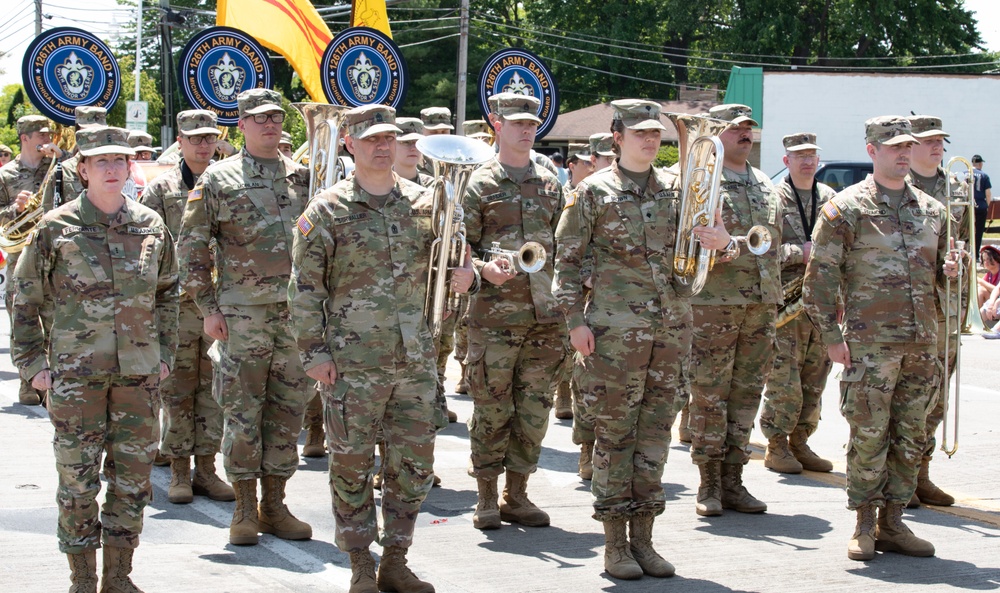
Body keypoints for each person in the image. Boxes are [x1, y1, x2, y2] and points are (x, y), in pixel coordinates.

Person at [289, 104, 475, 593]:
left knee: (412, 466)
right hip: (352, 364)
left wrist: (466, 277)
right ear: (350, 143)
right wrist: (315, 353)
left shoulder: (425, 203)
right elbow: (304, 290)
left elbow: (450, 269)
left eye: (389, 137)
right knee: (351, 466)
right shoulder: (326, 210)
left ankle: (396, 559)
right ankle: (360, 567)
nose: (382, 146)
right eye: (371, 138)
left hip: (414, 363)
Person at [554, 99, 730, 580]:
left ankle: (645, 540)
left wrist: (723, 242)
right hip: (612, 336)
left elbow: (714, 248)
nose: (650, 140)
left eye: (655, 133)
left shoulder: (680, 189)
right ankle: (614, 544)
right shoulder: (591, 193)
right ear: (617, 137)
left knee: (654, 438)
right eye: (639, 133)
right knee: (615, 437)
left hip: (671, 332)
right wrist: (575, 322)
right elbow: (566, 263)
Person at [12, 125, 179, 593]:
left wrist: (164, 352)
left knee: (132, 481)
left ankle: (119, 578)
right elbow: (24, 299)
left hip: (139, 378)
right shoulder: (55, 227)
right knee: (78, 483)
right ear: (82, 169)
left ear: (129, 168)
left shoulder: (150, 225)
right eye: (100, 161)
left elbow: (169, 293)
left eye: (119, 161)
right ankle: (83, 580)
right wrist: (32, 366)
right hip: (74, 378)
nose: (111, 168)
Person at [804, 115, 959, 561]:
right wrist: (832, 337)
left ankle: (894, 522)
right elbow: (820, 280)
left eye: (908, 146)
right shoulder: (845, 209)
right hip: (870, 345)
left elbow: (946, 279)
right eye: (894, 147)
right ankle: (863, 524)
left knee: (910, 434)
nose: (904, 153)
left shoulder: (932, 211)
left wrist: (950, 274)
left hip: (921, 344)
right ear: (872, 151)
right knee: (869, 434)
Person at [178, 88, 312, 546]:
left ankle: (274, 505)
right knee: (242, 411)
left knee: (287, 410)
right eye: (259, 119)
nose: (270, 124)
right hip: (242, 315)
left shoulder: (304, 179)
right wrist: (207, 307)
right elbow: (191, 247)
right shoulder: (218, 178)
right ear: (241, 126)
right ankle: (243, 508)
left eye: (276, 117)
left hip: (296, 316)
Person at [463, 92, 564, 531]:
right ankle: (486, 495)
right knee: (492, 407)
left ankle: (517, 494)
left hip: (546, 314)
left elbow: (566, 242)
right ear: (495, 123)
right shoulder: (479, 181)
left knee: (535, 409)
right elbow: (458, 246)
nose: (527, 129)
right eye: (517, 122)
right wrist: (486, 269)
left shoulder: (550, 179)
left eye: (532, 122)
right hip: (495, 315)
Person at [688, 104, 782, 517]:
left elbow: (775, 240)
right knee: (710, 394)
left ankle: (734, 479)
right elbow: (692, 239)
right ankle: (708, 482)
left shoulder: (764, 181)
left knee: (747, 393)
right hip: (715, 304)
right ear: (717, 134)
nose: (745, 133)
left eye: (749, 128)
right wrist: (725, 244)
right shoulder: (700, 179)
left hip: (760, 303)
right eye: (736, 128)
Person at [140, 109, 234, 505]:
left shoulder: (230, 183)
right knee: (177, 388)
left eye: (209, 137)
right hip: (177, 305)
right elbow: (145, 245)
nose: (202, 144)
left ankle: (207, 469)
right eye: (195, 138)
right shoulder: (160, 189)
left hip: (219, 303)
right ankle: (179, 469)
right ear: (180, 141)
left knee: (214, 388)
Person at [760, 133, 836, 475]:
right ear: (785, 160)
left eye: (812, 155)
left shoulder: (831, 199)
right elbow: (758, 247)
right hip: (785, 303)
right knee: (784, 380)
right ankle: (776, 444)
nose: (807, 161)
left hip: (822, 303)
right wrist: (798, 252)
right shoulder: (771, 199)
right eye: (799, 155)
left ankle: (800, 441)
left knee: (814, 378)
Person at [905, 115, 969, 508]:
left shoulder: (957, 185)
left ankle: (921, 472)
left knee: (939, 394)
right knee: (907, 394)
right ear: (907, 146)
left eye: (939, 140)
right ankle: (900, 476)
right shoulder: (897, 186)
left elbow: (963, 240)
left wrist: (959, 262)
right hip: (907, 305)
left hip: (947, 301)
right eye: (928, 140)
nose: (937, 147)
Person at [0, 114, 65, 405]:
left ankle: (52, 382)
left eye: (49, 133)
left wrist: (62, 160)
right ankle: (28, 382)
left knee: (55, 321)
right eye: (41, 134)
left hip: (54, 255)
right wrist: (15, 208)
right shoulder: (6, 175)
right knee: (23, 321)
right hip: (20, 258)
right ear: (24, 138)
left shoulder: (59, 168)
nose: (47, 138)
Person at [971, 155, 991, 255]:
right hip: (980, 206)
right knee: (978, 231)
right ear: (980, 163)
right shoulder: (984, 175)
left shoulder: (965, 174)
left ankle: (967, 251)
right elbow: (988, 193)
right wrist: (987, 205)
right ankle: (976, 254)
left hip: (968, 206)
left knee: (966, 231)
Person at [978, 244, 1000, 315]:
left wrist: (981, 281)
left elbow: (998, 290)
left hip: (997, 302)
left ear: (997, 258)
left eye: (989, 259)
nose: (986, 262)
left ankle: (978, 317)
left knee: (981, 290)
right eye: (984, 260)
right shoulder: (989, 274)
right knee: (980, 289)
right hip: (992, 302)